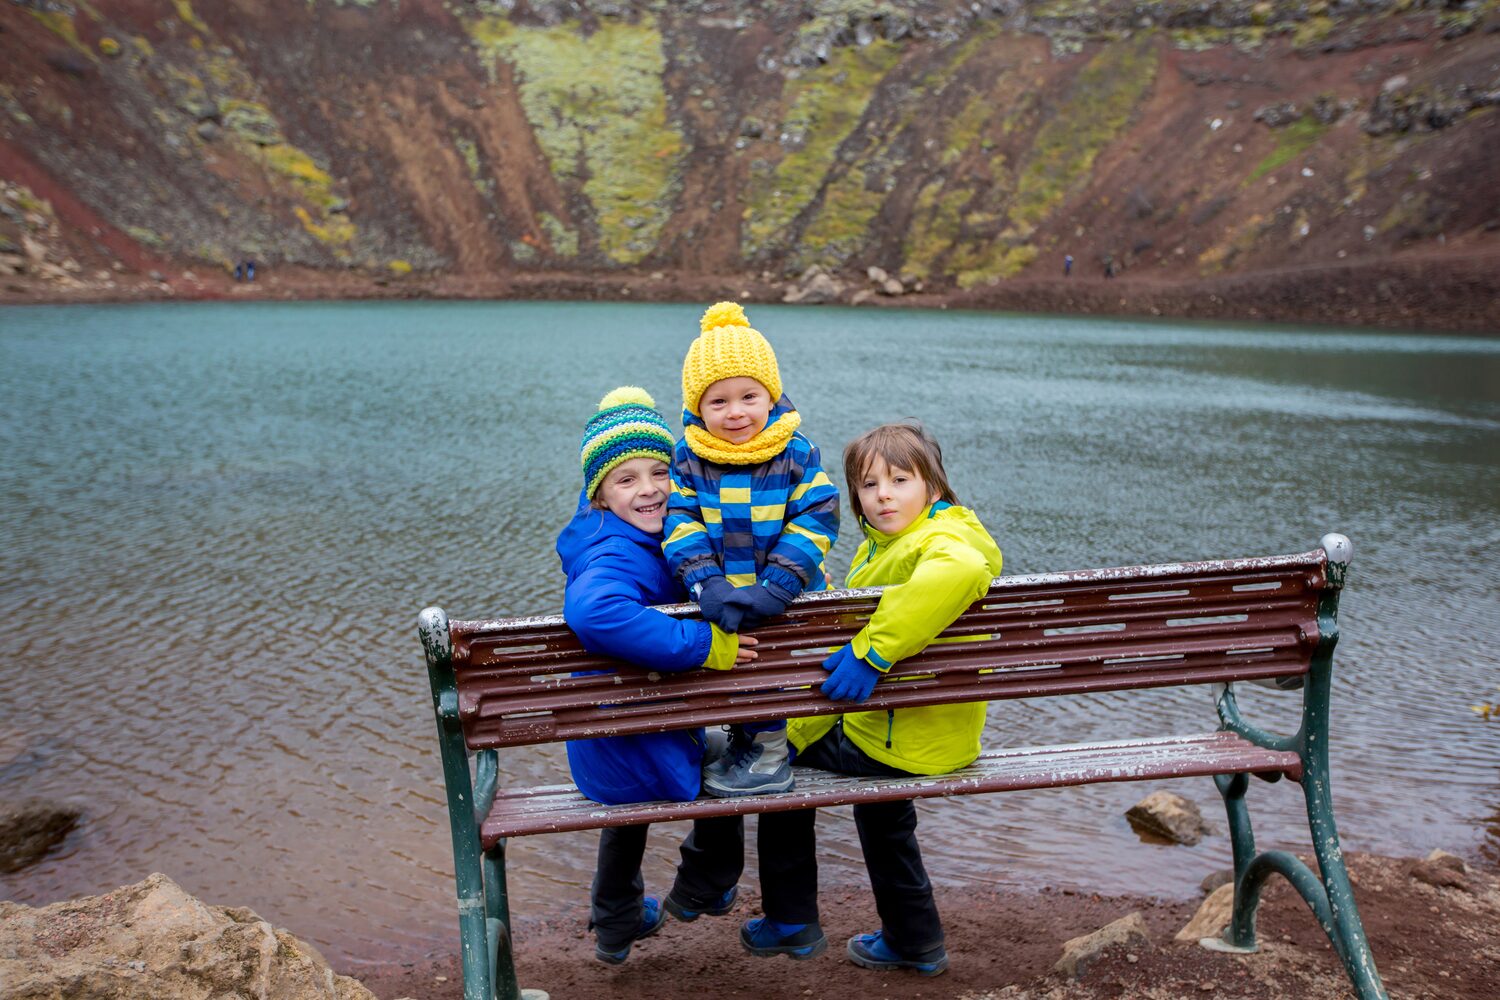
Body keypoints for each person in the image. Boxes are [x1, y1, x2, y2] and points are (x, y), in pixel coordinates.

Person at [743, 423, 1004, 974]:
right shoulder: (905, 541)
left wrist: (871, 653)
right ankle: (916, 941)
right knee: (883, 816)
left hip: (894, 737)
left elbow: (962, 570)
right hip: (933, 734)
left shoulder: (942, 544)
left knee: (774, 760)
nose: (883, 495)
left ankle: (790, 920)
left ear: (934, 487)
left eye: (900, 480)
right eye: (868, 485)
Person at [558, 386, 754, 964]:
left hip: (607, 750)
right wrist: (704, 645)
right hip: (648, 745)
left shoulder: (611, 535)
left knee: (629, 805)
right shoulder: (615, 554)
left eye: (659, 472)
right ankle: (707, 882)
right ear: (599, 492)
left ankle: (616, 925)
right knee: (739, 750)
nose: (648, 490)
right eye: (626, 479)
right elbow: (594, 610)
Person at [664, 301, 840, 797]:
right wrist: (706, 583)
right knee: (742, 673)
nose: (735, 412)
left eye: (748, 396)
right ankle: (748, 743)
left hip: (782, 599)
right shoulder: (688, 457)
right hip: (722, 598)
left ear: (772, 395)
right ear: (697, 407)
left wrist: (778, 585)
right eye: (717, 402)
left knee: (771, 675)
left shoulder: (795, 452)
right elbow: (681, 522)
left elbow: (818, 516)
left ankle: (767, 758)